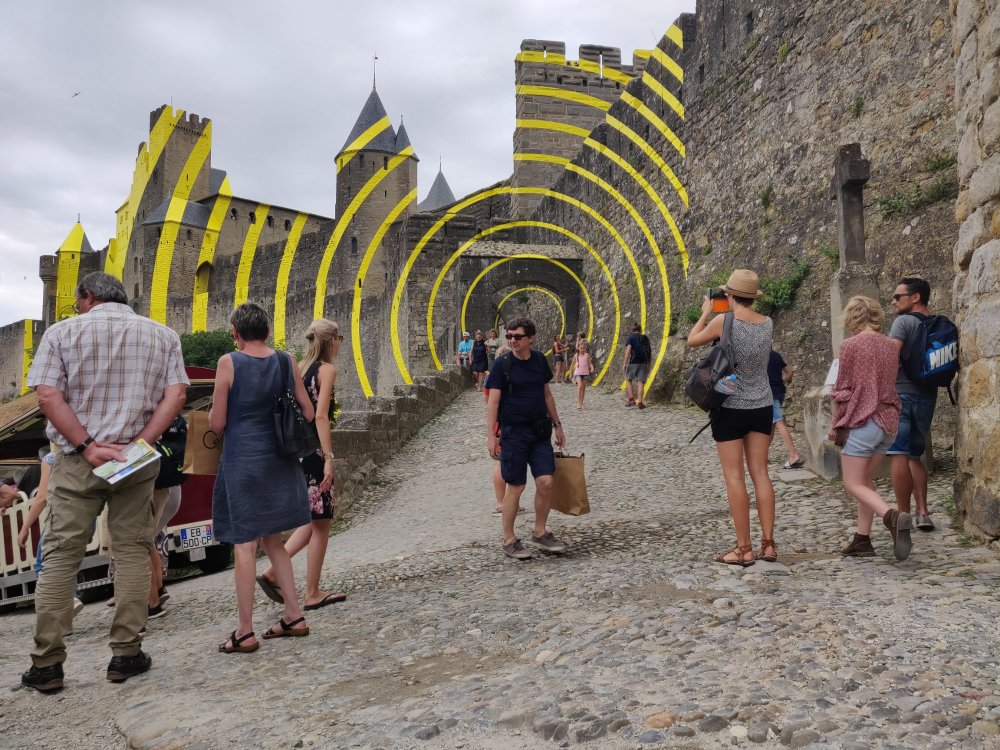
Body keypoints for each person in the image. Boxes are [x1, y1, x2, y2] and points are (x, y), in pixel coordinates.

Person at [21, 272, 188, 692]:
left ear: (87, 296)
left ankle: (47, 663)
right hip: (134, 460)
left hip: (77, 460)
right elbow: (176, 396)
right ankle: (126, 653)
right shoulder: (163, 335)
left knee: (61, 556)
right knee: (132, 551)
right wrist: (141, 442)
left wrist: (88, 445)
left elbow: (48, 396)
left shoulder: (60, 333)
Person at [210, 303, 312, 654]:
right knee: (274, 540)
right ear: (267, 331)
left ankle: (244, 631)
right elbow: (308, 410)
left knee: (244, 544)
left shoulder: (229, 362)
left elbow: (217, 423)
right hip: (280, 460)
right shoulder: (286, 360)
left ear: (235, 333)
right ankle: (294, 615)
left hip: (244, 462)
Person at [687, 269, 777, 567]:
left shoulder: (723, 321)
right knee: (761, 473)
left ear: (729, 295)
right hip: (762, 405)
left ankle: (744, 548)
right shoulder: (767, 323)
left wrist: (706, 312)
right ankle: (768, 545)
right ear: (753, 297)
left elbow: (692, 340)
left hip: (730, 405)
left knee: (734, 476)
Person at [258, 319, 348, 611]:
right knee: (322, 524)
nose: (340, 343)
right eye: (340, 338)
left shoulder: (299, 367)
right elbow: (320, 416)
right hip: (315, 451)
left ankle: (273, 572)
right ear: (332, 340)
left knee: (313, 519)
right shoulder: (327, 370)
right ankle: (312, 592)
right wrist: (328, 459)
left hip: (299, 450)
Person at [829, 296, 910, 561]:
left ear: (851, 317)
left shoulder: (849, 345)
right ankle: (862, 540)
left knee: (852, 483)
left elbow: (843, 390)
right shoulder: (890, 346)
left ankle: (892, 517)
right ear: (875, 315)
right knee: (865, 481)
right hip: (888, 422)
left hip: (864, 422)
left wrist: (836, 422)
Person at [485, 318, 568, 560]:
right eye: (509, 336)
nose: (512, 340)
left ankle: (540, 532)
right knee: (516, 486)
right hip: (514, 434)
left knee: (546, 481)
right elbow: (493, 402)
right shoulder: (502, 365)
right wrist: (492, 436)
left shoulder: (540, 360)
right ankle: (509, 539)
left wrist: (558, 425)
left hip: (539, 432)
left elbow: (547, 395)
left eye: (518, 336)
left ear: (531, 338)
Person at [887, 277, 938, 532]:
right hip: (927, 397)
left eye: (898, 297)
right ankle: (923, 513)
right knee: (915, 456)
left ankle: (904, 516)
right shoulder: (939, 323)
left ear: (915, 297)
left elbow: (890, 357)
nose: (893, 301)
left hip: (901, 396)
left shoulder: (903, 322)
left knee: (899, 454)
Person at [768, 350, 803, 468]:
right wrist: (783, 381)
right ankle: (763, 454)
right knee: (772, 424)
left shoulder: (759, 355)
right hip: (780, 391)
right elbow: (789, 372)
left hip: (769, 393)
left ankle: (793, 455)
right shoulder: (776, 355)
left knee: (778, 421)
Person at [623, 323, 651, 409]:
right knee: (640, 382)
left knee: (628, 380)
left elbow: (628, 351)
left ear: (632, 329)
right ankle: (640, 402)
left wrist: (624, 363)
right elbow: (649, 351)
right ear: (640, 329)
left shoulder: (630, 338)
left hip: (633, 362)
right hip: (643, 363)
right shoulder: (644, 338)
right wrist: (648, 363)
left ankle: (631, 400)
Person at [570, 339, 595, 411]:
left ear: (585, 349)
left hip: (585, 373)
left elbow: (590, 363)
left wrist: (592, 368)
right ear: (578, 348)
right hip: (578, 373)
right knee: (580, 386)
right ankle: (578, 403)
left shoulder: (587, 355)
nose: (582, 350)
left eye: (584, 348)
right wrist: (571, 374)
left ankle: (582, 402)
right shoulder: (576, 355)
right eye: (581, 348)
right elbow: (572, 365)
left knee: (583, 388)